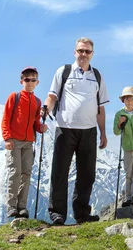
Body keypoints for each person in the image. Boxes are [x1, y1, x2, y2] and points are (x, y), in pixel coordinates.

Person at [41, 37, 109, 225]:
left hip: (89, 130)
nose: (84, 54)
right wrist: (45, 108)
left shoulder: (98, 75)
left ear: (92, 54)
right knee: (59, 172)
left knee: (87, 174)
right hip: (65, 128)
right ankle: (57, 214)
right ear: (74, 52)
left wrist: (103, 132)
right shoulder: (63, 72)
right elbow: (52, 96)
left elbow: (101, 107)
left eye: (87, 51)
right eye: (81, 51)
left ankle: (82, 214)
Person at [1, 66, 48, 219]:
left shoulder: (37, 101)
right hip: (14, 141)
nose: (30, 82)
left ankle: (22, 207)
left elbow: (35, 122)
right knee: (15, 173)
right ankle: (12, 206)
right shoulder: (14, 97)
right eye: (27, 80)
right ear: (22, 81)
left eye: (33, 80)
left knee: (26, 174)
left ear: (37, 82)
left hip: (29, 142)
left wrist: (41, 127)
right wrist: (7, 138)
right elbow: (6, 118)